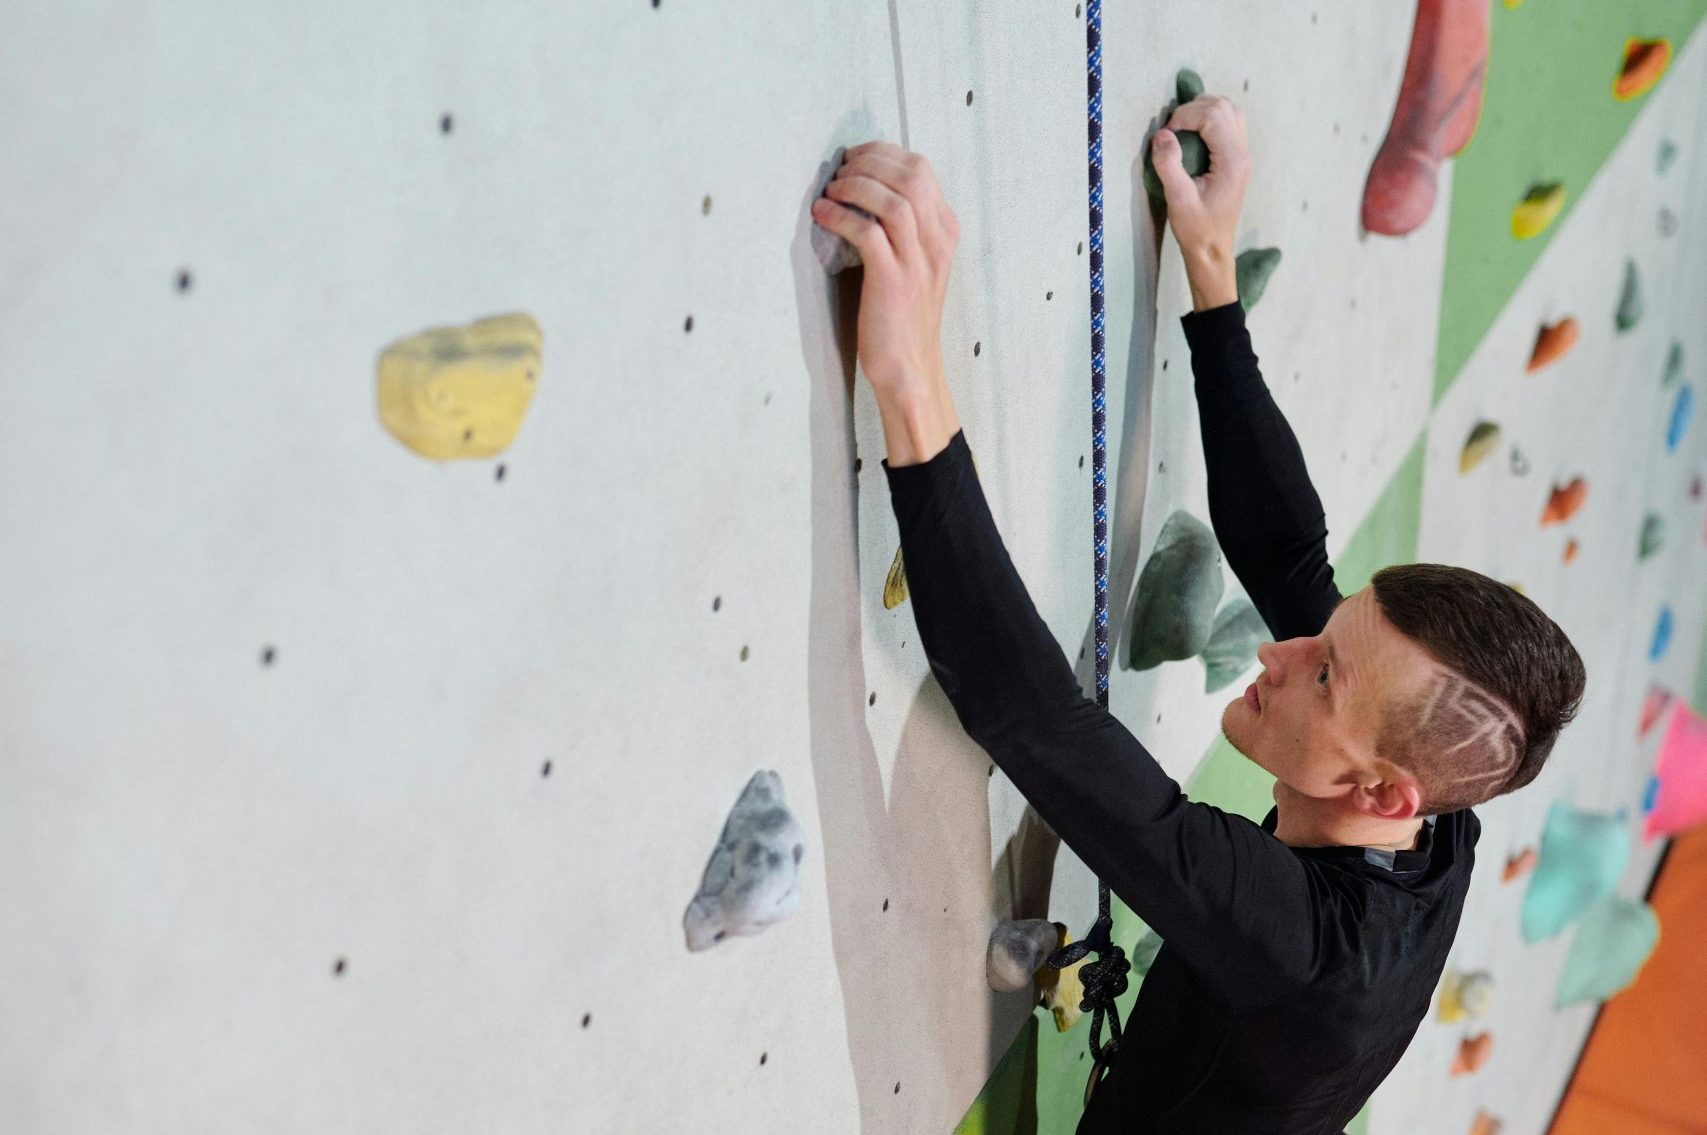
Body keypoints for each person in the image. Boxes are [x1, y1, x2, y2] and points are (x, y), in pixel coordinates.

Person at [809, 93, 1586, 1134]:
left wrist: (908, 378)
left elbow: (1031, 716)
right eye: (1330, 631)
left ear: (1384, 792)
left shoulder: (1307, 952)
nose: (1280, 648)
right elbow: (1284, 551)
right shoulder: (1432, 809)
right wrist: (1211, 272)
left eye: (1321, 675)